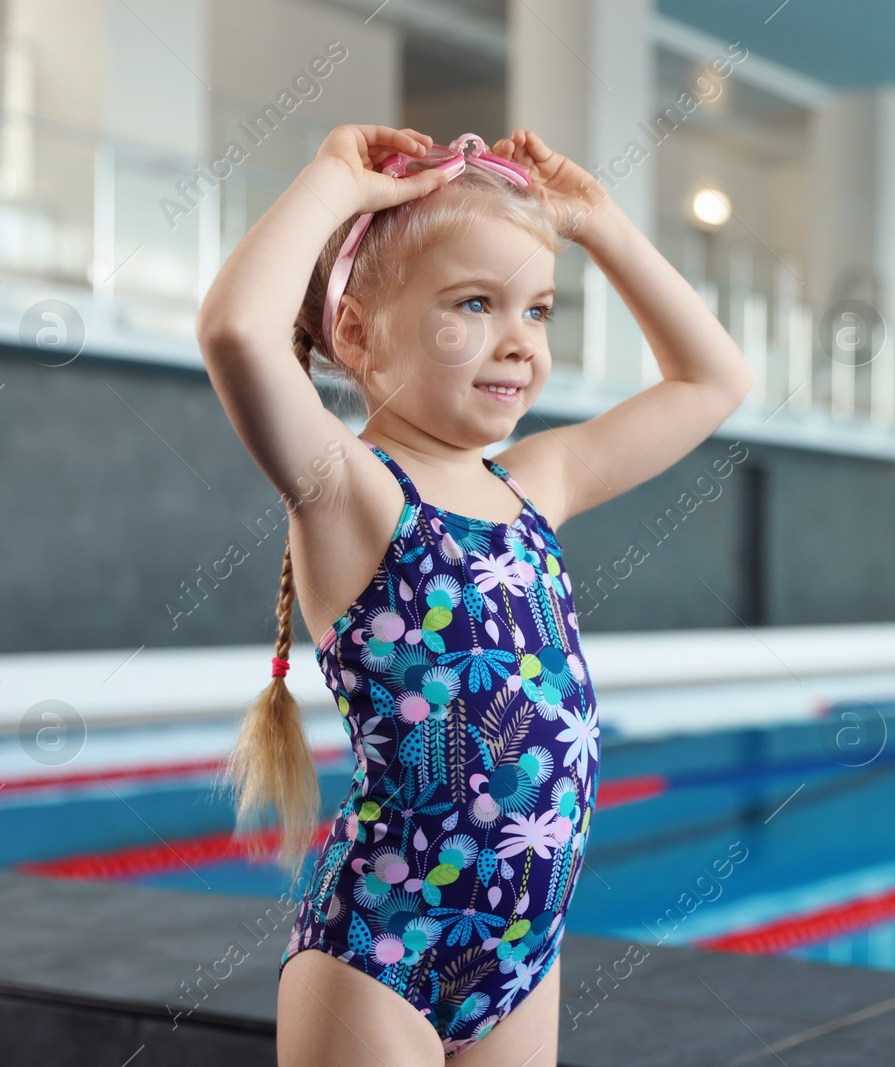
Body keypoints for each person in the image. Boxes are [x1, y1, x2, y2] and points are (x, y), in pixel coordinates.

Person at [195, 124, 752, 1066]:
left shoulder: (538, 483)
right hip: (380, 951)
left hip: (521, 958)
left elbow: (714, 379)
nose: (518, 342)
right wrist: (332, 183)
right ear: (359, 333)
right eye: (475, 304)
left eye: (537, 310)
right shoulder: (355, 490)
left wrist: (600, 223)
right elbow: (236, 330)